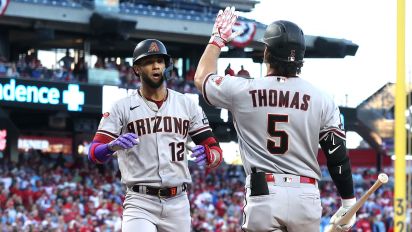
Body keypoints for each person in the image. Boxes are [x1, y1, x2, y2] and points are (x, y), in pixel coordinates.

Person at [194, 7, 356, 232]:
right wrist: (348, 202)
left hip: (264, 193)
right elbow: (336, 155)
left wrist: (217, 40)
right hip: (306, 195)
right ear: (301, 57)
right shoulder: (322, 98)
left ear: (266, 53)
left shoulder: (243, 90)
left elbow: (202, 77)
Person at [88, 39, 223, 232]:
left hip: (178, 202)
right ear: (137, 69)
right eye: (149, 62)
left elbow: (215, 149)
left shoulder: (187, 104)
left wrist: (211, 156)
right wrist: (111, 147)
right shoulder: (121, 107)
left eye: (160, 61)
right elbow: (93, 153)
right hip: (140, 201)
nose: (156, 66)